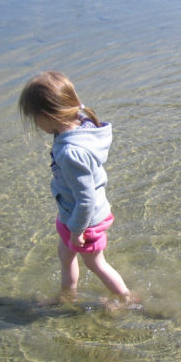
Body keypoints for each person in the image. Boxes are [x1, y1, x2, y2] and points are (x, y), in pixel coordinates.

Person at [18, 71, 138, 310]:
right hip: (71, 215)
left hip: (84, 221)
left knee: (96, 264)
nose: (36, 125)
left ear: (46, 116)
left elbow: (86, 199)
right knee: (65, 256)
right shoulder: (81, 122)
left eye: (35, 119)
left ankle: (127, 299)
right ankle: (67, 298)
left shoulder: (71, 153)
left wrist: (76, 231)